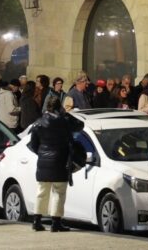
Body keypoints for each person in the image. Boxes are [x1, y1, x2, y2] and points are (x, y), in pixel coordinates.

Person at [26, 94, 84, 232]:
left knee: (41, 191)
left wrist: (42, 153)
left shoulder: (39, 122)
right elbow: (80, 125)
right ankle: (56, 223)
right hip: (60, 161)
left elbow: (33, 144)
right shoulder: (64, 121)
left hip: (43, 162)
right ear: (59, 107)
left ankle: (37, 221)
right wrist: (66, 114)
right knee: (59, 191)